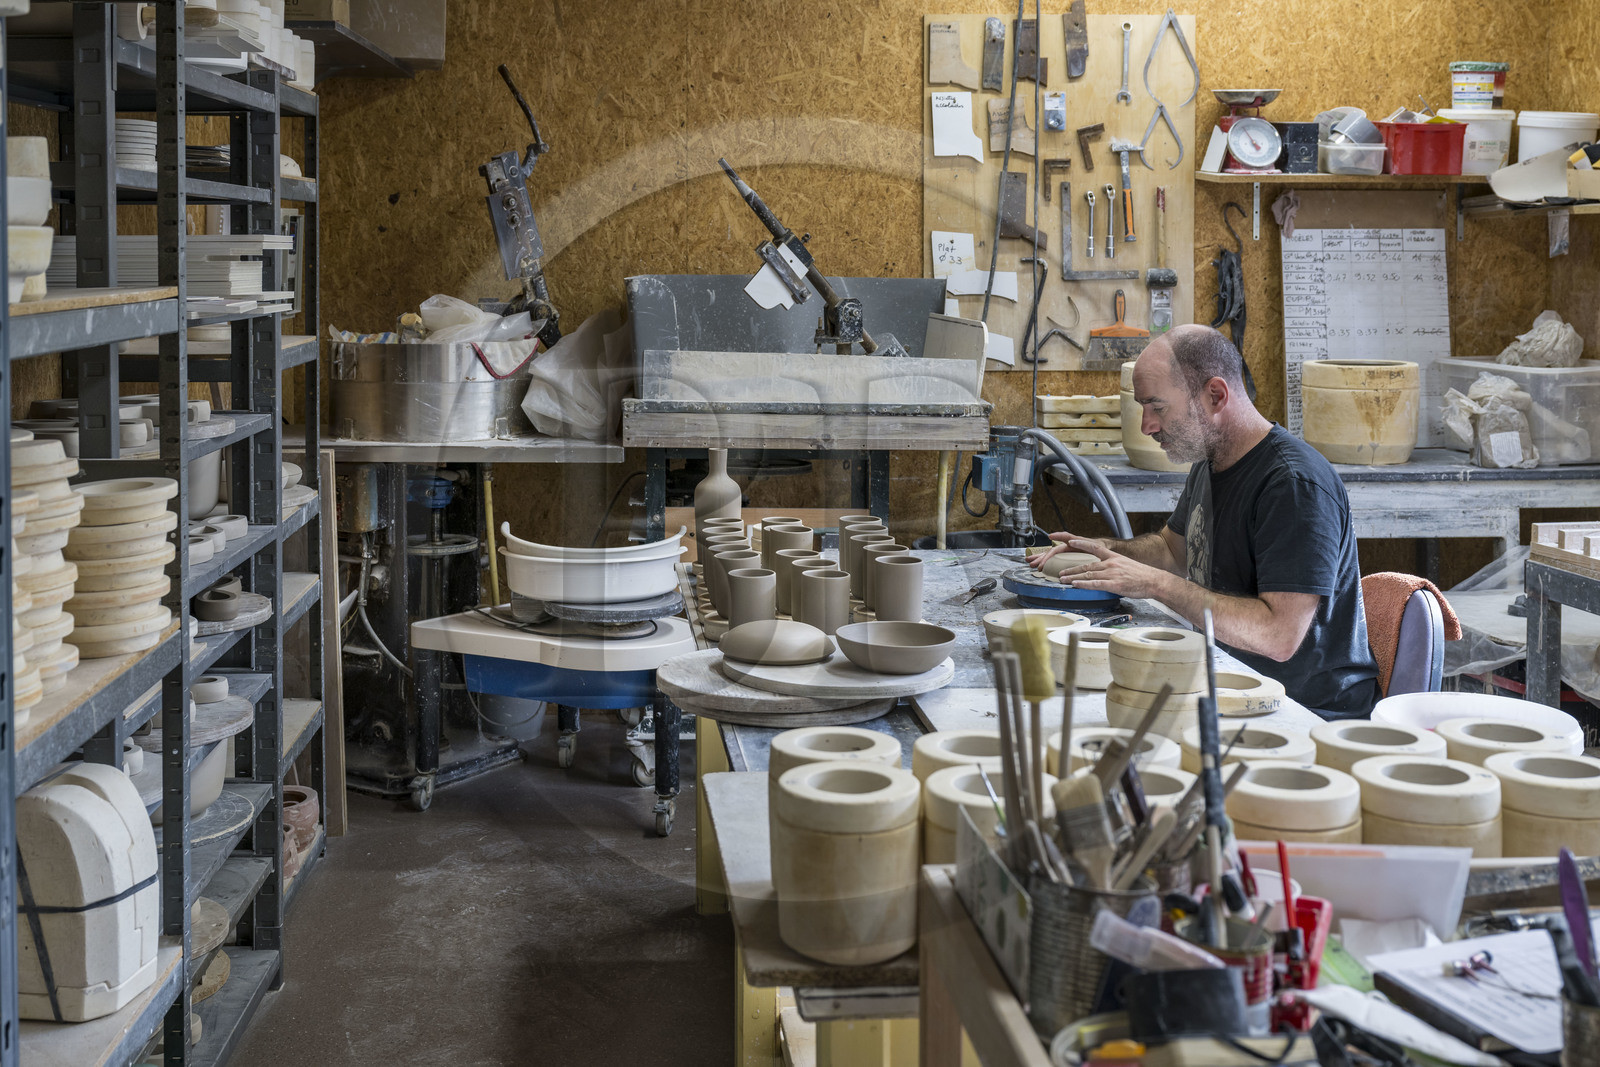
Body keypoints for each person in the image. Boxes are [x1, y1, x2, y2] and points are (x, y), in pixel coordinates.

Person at [1031, 325, 1378, 719]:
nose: (1147, 425)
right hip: (1228, 679)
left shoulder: (1294, 485)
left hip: (1306, 709)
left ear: (1215, 395)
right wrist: (1108, 551)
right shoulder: (1210, 461)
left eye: (1157, 407)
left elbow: (1278, 636)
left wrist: (1155, 585)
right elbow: (1172, 550)